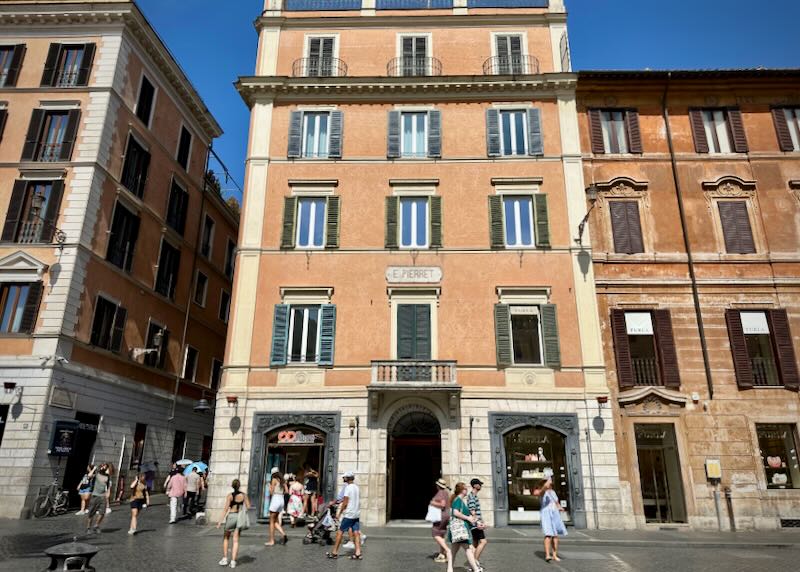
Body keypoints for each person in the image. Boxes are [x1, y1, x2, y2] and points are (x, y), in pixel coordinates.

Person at [326, 471, 362, 560]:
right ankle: (358, 553)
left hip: (349, 514)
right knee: (356, 532)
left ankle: (334, 552)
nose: (343, 478)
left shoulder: (348, 488)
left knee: (340, 532)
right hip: (356, 513)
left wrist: (339, 513)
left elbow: (345, 502)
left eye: (344, 477)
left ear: (347, 478)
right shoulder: (356, 487)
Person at [217, 479, 251, 569]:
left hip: (231, 516)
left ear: (232, 486)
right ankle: (233, 561)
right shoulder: (244, 495)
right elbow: (248, 506)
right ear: (239, 486)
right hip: (239, 517)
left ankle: (225, 559)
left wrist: (220, 522)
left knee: (226, 538)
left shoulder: (230, 496)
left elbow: (225, 509)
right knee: (236, 540)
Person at [448, 482, 482, 572]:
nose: (467, 490)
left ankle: (449, 569)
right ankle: (476, 569)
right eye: (465, 488)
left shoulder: (460, 501)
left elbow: (469, 516)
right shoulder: (458, 500)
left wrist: (478, 522)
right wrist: (468, 518)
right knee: (468, 549)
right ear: (462, 490)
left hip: (458, 531)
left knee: (453, 551)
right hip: (461, 530)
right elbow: (455, 512)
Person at [537, 479, 567, 563]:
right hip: (546, 514)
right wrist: (545, 486)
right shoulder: (542, 492)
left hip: (555, 513)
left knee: (555, 535)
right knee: (548, 534)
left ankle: (554, 555)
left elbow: (556, 502)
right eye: (548, 484)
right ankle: (547, 555)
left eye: (550, 484)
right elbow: (541, 492)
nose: (550, 485)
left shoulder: (553, 492)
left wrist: (560, 507)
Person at [467, 478, 488, 566]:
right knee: (483, 542)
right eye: (480, 484)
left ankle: (472, 562)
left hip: (474, 524)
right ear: (475, 485)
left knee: (475, 544)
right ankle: (474, 562)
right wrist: (479, 523)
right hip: (475, 524)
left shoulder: (473, 496)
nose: (481, 486)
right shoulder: (472, 496)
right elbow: (472, 511)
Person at [430, 478, 451, 565]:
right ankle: (442, 554)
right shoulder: (446, 492)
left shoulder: (440, 493)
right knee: (441, 533)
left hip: (441, 515)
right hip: (446, 515)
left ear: (438, 486)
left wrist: (433, 503)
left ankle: (447, 550)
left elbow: (442, 505)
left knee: (435, 533)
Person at [85, 463, 111, 534]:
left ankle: (96, 525)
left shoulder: (107, 476)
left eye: (105, 467)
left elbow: (108, 486)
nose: (104, 468)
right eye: (103, 466)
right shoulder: (96, 474)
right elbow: (89, 476)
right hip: (94, 495)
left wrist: (108, 493)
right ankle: (88, 528)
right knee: (91, 513)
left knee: (102, 512)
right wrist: (93, 469)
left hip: (103, 496)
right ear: (100, 467)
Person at [265, 470, 287, 546]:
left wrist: (269, 486)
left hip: (276, 499)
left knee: (271, 521)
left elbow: (271, 492)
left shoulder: (274, 480)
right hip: (281, 499)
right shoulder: (282, 480)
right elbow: (286, 491)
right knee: (275, 520)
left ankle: (271, 541)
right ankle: (283, 534)